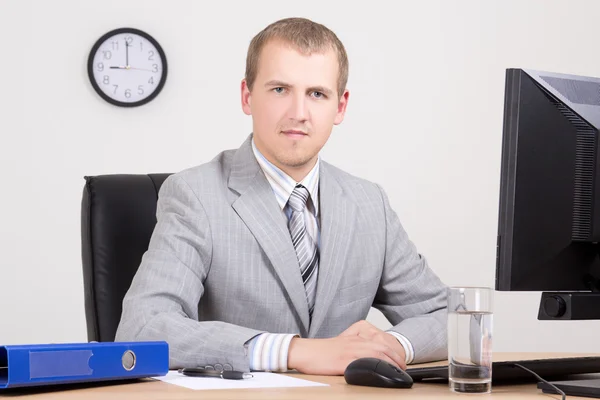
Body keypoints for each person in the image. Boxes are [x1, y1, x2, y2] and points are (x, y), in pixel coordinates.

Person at [115, 16, 448, 376]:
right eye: (279, 90)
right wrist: (293, 351)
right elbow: (143, 329)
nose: (298, 114)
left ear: (340, 106)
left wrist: (392, 345)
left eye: (317, 94)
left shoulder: (370, 203)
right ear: (247, 96)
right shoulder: (194, 195)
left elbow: (448, 317)